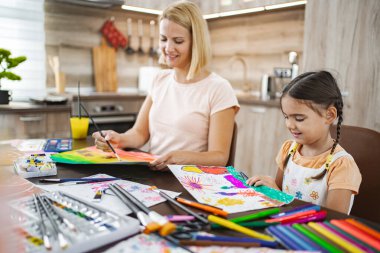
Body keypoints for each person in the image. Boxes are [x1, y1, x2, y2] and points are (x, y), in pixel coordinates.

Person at [93, 1, 239, 170]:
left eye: (178, 41)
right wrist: (118, 139)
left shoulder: (219, 89)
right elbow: (139, 133)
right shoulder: (159, 79)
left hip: (191, 181)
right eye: (163, 39)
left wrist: (182, 157)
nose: (168, 48)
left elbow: (219, 156)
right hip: (154, 173)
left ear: (196, 42)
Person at [246, 71, 361, 214]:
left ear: (329, 115)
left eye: (299, 118)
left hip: (315, 234)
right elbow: (280, 201)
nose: (290, 125)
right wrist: (269, 190)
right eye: (286, 117)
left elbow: (333, 221)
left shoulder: (341, 166)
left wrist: (281, 197)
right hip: (285, 227)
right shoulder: (288, 150)